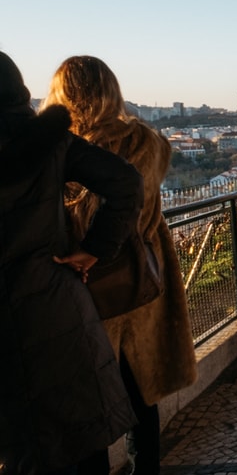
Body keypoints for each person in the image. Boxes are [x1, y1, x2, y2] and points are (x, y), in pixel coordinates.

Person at [42, 56, 198, 475]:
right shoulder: (147, 141)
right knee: (141, 391)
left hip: (81, 285)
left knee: (86, 406)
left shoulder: (61, 150)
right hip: (139, 281)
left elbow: (72, 219)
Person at [1, 51, 142, 475]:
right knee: (77, 437)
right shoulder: (51, 140)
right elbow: (125, 182)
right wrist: (94, 248)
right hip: (52, 304)